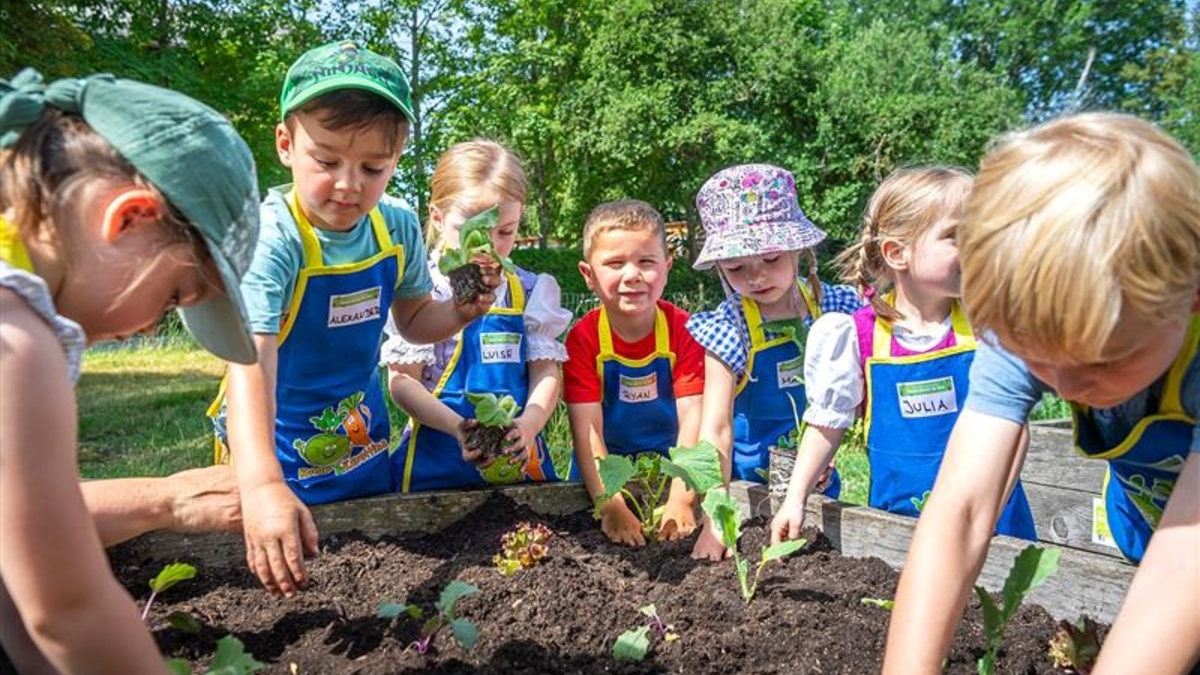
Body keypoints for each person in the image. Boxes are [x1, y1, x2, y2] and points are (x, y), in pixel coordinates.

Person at [883, 112, 1200, 675]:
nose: (1069, 387)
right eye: (1037, 360)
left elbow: (1186, 565)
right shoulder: (1029, 315)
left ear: (1191, 294)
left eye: (1105, 360)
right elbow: (960, 511)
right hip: (1150, 545)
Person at [212, 42, 498, 598]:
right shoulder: (273, 241)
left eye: (373, 168)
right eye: (326, 162)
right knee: (276, 576)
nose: (349, 185)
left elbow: (414, 321)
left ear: (396, 158)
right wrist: (262, 484)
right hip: (273, 448)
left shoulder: (395, 227)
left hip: (359, 439)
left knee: (372, 570)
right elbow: (249, 366)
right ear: (285, 145)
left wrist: (461, 311)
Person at [0, 67, 259, 674]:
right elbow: (67, 611)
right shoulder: (18, 343)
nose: (148, 328)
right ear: (130, 218)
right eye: (172, 297)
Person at [770, 166, 1036, 544]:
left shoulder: (986, 329)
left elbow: (1014, 429)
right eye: (957, 236)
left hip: (994, 527)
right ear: (897, 253)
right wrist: (795, 498)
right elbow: (827, 424)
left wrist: (986, 518)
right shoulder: (859, 337)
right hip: (897, 526)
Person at [686, 163, 862, 560]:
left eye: (770, 259)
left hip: (817, 491)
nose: (756, 277)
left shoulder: (836, 309)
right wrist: (716, 518)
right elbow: (716, 429)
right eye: (736, 268)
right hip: (748, 492)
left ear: (799, 249)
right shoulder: (728, 328)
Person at [383, 139, 573, 490]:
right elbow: (402, 381)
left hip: (518, 468)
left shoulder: (530, 292)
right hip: (432, 470)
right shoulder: (422, 292)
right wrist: (458, 428)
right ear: (437, 217)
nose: (489, 246)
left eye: (506, 232)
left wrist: (529, 424)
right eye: (472, 231)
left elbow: (546, 371)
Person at [564, 200, 707, 546]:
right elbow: (587, 431)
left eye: (646, 262)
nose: (632, 275)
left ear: (667, 268)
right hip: (601, 480)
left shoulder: (686, 330)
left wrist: (682, 499)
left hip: (672, 474)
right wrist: (609, 504)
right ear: (588, 275)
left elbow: (694, 418)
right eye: (615, 263)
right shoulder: (583, 339)